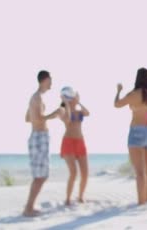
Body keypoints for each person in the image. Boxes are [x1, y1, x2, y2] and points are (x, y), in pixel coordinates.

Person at [23, 70, 68, 217]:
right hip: (39, 137)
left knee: (41, 175)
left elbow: (28, 118)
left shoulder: (36, 98)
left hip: (39, 136)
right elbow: (36, 118)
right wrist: (54, 114)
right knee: (41, 176)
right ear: (45, 80)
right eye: (50, 80)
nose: (52, 82)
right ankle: (28, 208)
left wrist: (44, 116)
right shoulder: (36, 98)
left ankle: (29, 206)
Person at [114, 67, 147, 205]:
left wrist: (118, 91)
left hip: (136, 131)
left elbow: (117, 104)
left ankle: (141, 202)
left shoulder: (134, 94)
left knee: (140, 172)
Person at [58, 87, 91, 206]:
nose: (75, 98)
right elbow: (67, 120)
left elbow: (87, 112)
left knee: (85, 173)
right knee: (73, 172)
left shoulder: (79, 111)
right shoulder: (62, 110)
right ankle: (67, 199)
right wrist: (66, 104)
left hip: (80, 142)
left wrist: (79, 102)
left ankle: (81, 196)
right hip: (68, 142)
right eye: (73, 96)